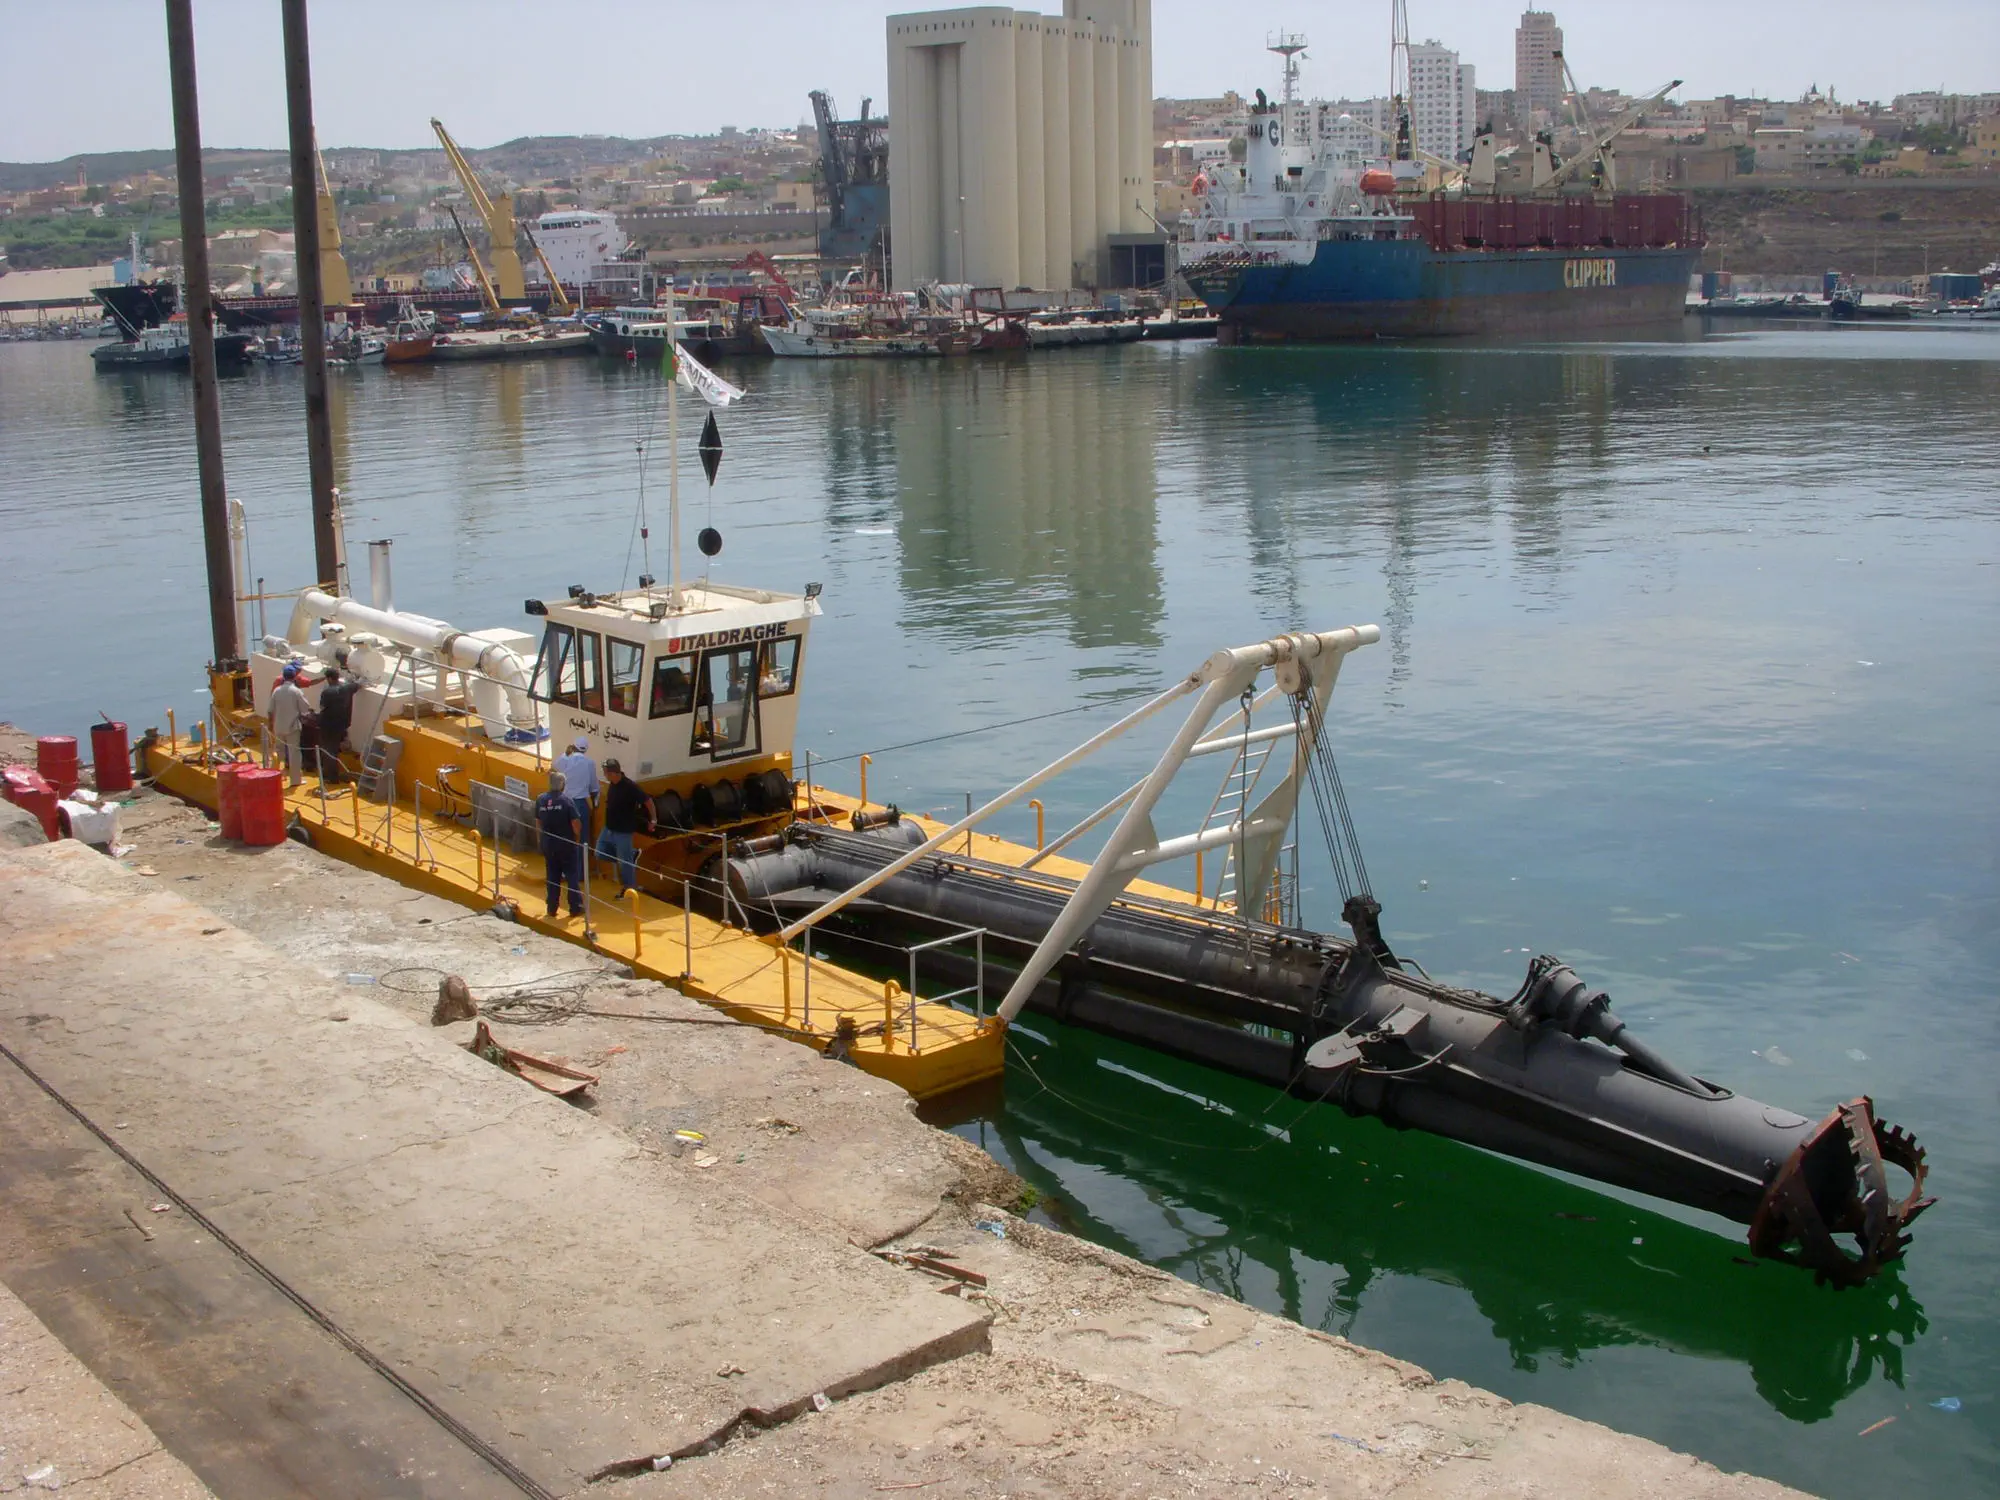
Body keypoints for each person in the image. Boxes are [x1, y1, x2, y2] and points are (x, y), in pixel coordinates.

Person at [595, 759, 654, 895]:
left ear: (613, 773)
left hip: (623, 830)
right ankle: (631, 854)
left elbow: (648, 801)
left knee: (624, 863)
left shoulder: (630, 786)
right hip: (609, 828)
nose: (604, 775)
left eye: (606, 772)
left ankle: (629, 888)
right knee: (600, 851)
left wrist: (653, 819)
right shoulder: (612, 784)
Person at [534, 771, 585, 920]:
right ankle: (575, 907)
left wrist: (540, 841)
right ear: (562, 784)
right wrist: (576, 839)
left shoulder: (540, 800)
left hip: (549, 845)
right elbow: (576, 824)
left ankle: (551, 908)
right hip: (566, 845)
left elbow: (538, 823)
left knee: (552, 876)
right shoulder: (566, 801)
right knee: (572, 876)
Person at [269, 663, 313, 789]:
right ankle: (295, 780)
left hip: (278, 726)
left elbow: (270, 710)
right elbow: (305, 708)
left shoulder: (277, 691)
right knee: (294, 753)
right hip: (293, 727)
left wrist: (271, 725)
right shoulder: (296, 691)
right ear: (294, 677)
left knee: (278, 752)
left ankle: (272, 777)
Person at [552, 737, 599, 831]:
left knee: (565, 832)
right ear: (586, 749)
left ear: (573, 747)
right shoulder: (590, 763)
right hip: (581, 803)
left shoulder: (567, 760)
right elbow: (594, 787)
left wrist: (566, 753)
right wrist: (595, 802)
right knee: (582, 833)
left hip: (566, 801)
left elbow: (556, 766)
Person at [314, 665, 357, 760]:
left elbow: (322, 707)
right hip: (342, 724)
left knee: (328, 750)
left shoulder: (327, 692)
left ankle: (329, 773)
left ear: (329, 678)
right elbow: (358, 685)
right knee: (336, 748)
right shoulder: (347, 688)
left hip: (328, 725)